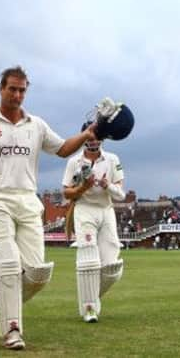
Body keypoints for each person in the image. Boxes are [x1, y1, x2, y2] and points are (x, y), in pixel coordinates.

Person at [0, 66, 101, 350]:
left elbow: (62, 149)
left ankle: (5, 295)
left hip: (28, 201)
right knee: (8, 265)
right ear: (1, 89)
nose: (18, 95)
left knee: (37, 273)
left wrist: (88, 134)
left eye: (22, 90)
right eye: (12, 89)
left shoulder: (36, 125)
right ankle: (12, 329)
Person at [62, 124, 125, 323]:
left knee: (111, 267)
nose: (93, 141)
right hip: (84, 210)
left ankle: (91, 297)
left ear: (102, 139)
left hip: (106, 211)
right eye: (90, 137)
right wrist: (83, 187)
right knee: (89, 260)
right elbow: (66, 193)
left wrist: (108, 186)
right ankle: (89, 308)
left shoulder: (112, 160)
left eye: (97, 138)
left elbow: (122, 194)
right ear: (84, 138)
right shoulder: (74, 162)